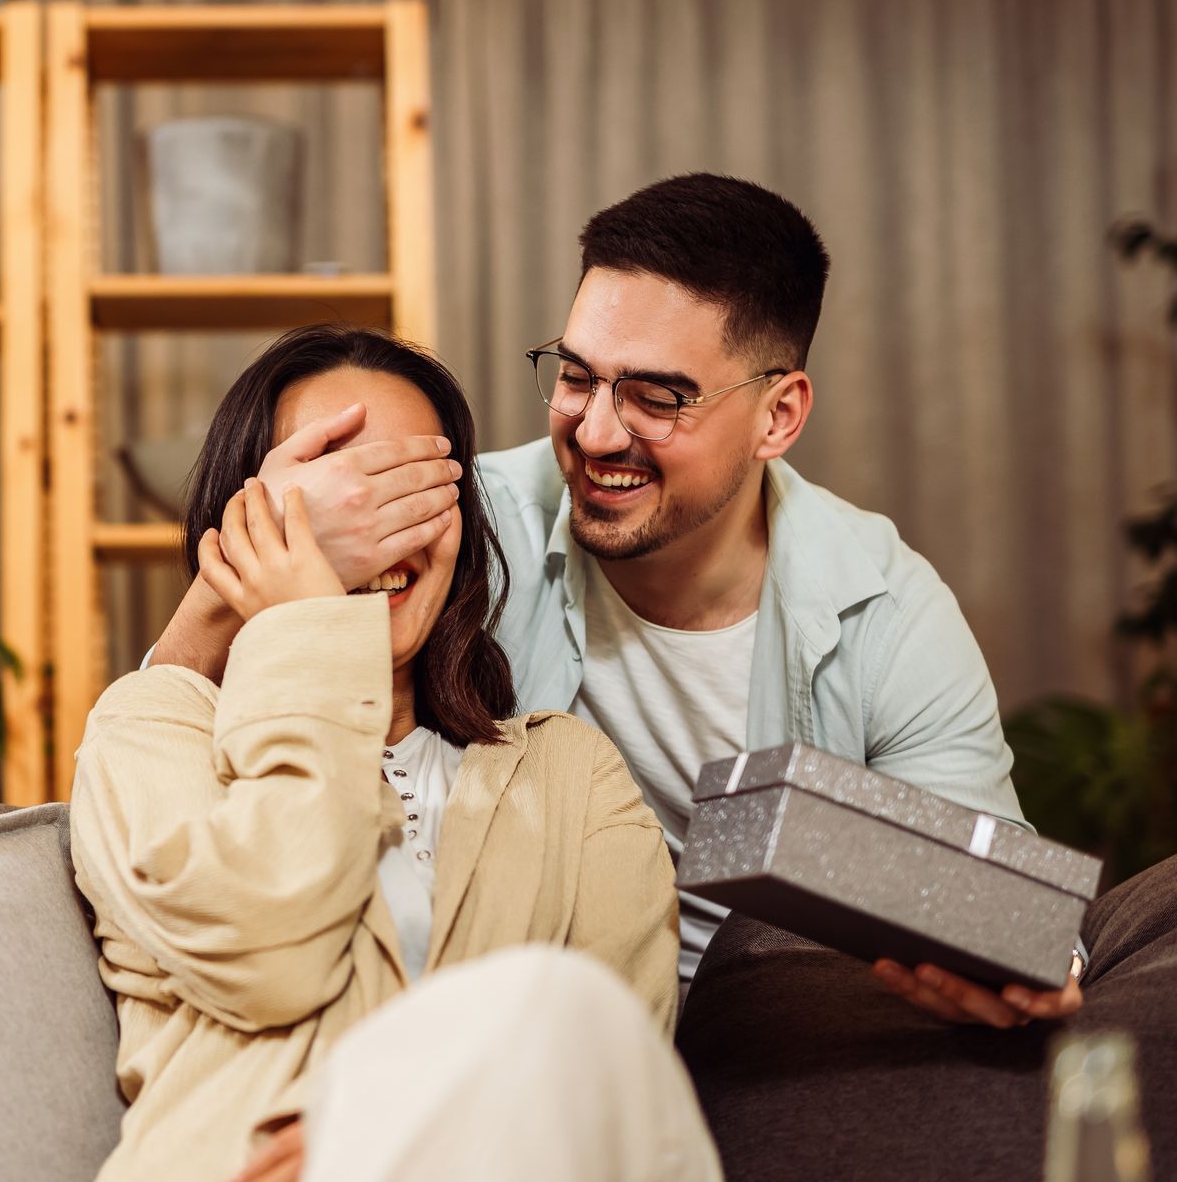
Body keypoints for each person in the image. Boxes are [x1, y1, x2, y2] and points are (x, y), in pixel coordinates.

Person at [149, 173, 1085, 1029]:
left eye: (657, 397)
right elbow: (181, 733)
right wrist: (263, 537)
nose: (597, 431)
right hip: (530, 1021)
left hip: (771, 1034)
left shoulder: (884, 607)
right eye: (577, 376)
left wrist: (1028, 961)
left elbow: (1000, 886)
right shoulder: (469, 522)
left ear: (779, 415)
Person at [70, 326, 719, 1182]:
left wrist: (392, 1120)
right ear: (251, 520)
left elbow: (616, 1083)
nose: (377, 533)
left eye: (413, 489)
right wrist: (303, 626)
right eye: (341, 490)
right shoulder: (150, 730)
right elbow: (272, 959)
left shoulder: (571, 777)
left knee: (568, 1008)